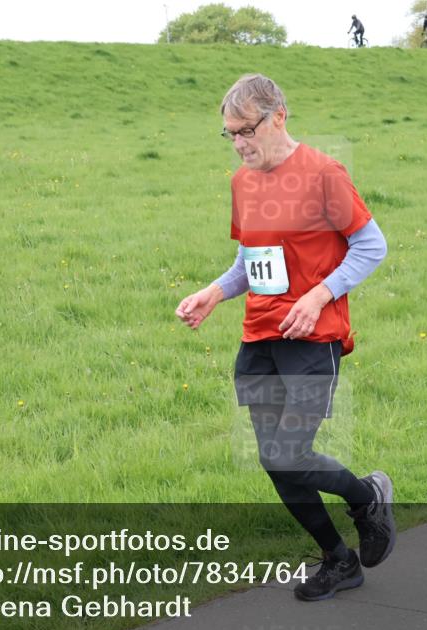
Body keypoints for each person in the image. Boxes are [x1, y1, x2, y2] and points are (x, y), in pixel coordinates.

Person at [175, 73, 396, 602]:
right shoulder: (242, 183)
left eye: (246, 131)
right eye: (229, 134)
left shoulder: (323, 173)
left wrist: (319, 295)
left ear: (279, 117)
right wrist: (215, 291)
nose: (239, 144)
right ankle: (338, 560)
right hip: (259, 340)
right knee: (274, 460)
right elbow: (252, 258)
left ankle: (367, 497)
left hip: (312, 340)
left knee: (286, 453)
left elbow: (372, 246)